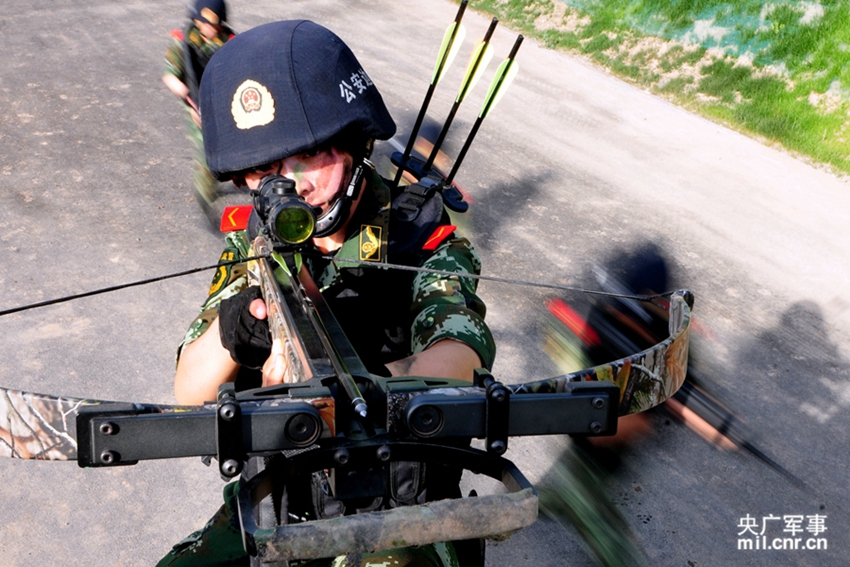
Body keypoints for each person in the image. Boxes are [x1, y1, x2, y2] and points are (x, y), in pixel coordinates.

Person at [161, 20, 495, 566]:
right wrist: (234, 332)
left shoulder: (420, 238)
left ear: (355, 141)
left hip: (400, 514)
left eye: (311, 155)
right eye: (266, 169)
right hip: (276, 506)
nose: (296, 185)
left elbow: (459, 350)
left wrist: (361, 388)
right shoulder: (255, 246)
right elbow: (187, 393)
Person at [162, 0, 234, 222]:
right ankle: (206, 203)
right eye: (206, 24)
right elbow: (169, 75)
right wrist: (188, 98)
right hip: (195, 104)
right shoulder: (183, 42)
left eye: (216, 24)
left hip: (223, 104)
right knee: (205, 153)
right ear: (196, 21)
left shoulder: (229, 41)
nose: (212, 29)